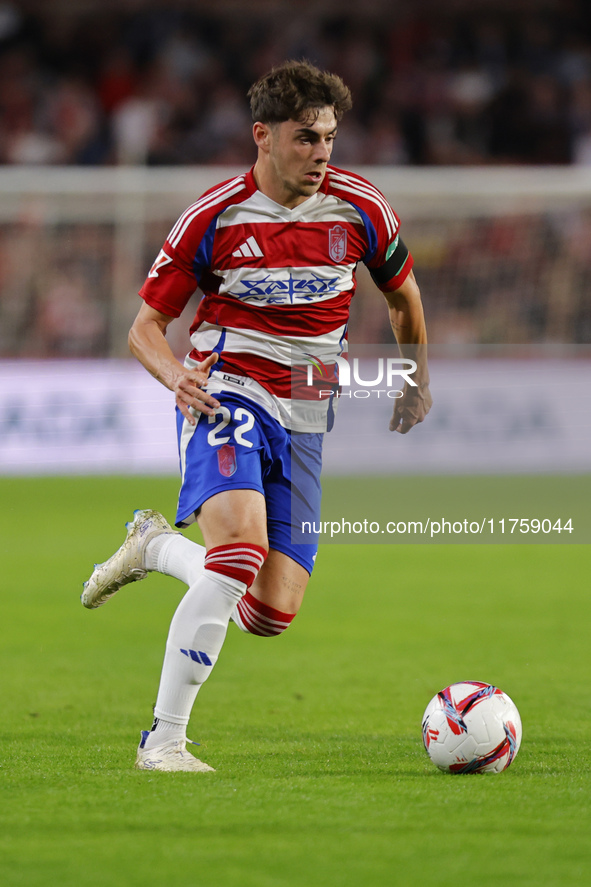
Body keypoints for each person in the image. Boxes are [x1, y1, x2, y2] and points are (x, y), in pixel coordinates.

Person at [81, 60, 432, 772]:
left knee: (270, 612)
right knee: (237, 551)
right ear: (262, 136)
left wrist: (414, 377)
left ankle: (152, 546)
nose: (322, 153)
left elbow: (402, 298)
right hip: (227, 390)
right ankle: (164, 741)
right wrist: (176, 373)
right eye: (306, 138)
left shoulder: (361, 208)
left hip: (306, 405)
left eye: (330, 137)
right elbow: (145, 328)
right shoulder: (213, 216)